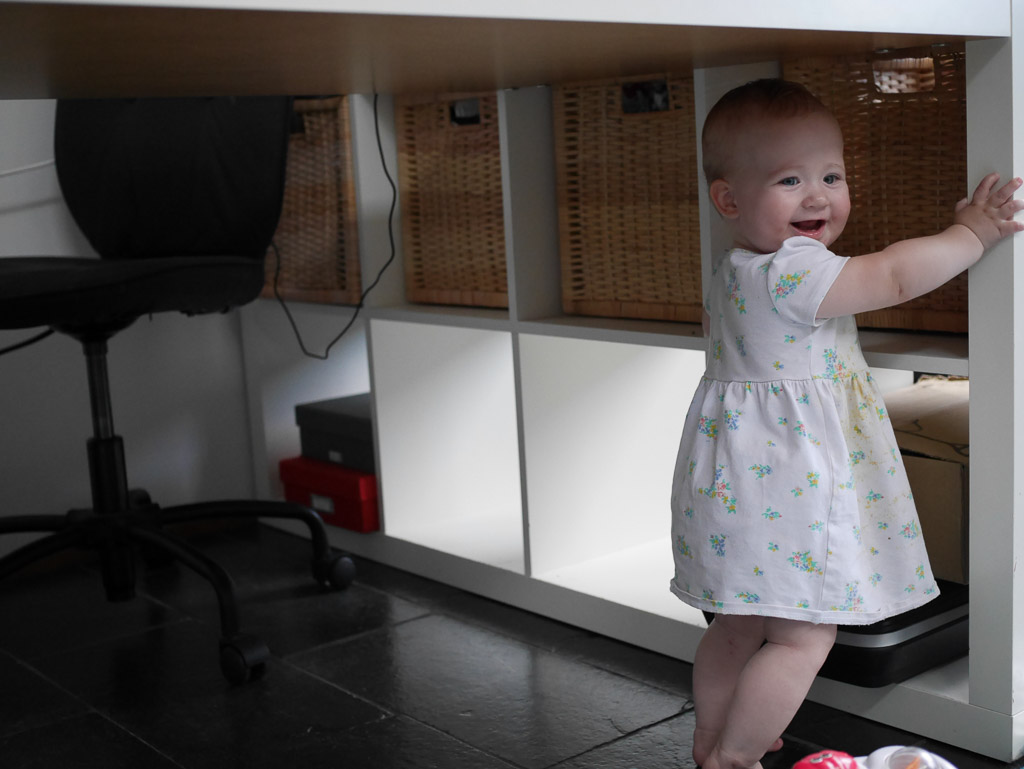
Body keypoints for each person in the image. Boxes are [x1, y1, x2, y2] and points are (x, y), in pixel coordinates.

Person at [669, 78, 1023, 769]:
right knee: (803, 637)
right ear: (729, 200)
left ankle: (711, 737)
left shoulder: (732, 269)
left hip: (735, 481)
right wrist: (972, 232)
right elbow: (892, 277)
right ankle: (735, 756)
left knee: (737, 625)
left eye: (831, 176)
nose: (818, 197)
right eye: (790, 180)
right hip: (790, 485)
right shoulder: (795, 270)